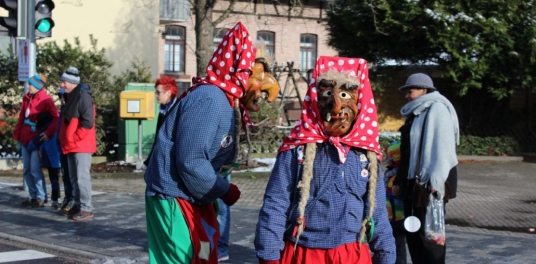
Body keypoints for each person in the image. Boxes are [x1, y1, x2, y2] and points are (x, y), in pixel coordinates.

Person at [143, 22, 280, 264]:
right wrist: (223, 189)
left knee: (204, 255)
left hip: (192, 196)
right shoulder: (211, 99)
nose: (265, 84)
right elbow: (191, 160)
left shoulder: (224, 100)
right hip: (175, 196)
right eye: (255, 74)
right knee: (184, 259)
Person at [255, 56, 395, 264]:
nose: (336, 105)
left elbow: (377, 213)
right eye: (328, 93)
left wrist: (387, 255)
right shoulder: (297, 148)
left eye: (346, 94)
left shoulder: (366, 154)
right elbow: (276, 204)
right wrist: (269, 256)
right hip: (305, 253)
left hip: (353, 254)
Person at [392, 73, 459, 264]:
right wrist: (399, 182)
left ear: (424, 90)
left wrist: (435, 180)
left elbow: (443, 148)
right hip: (413, 183)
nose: (406, 95)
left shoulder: (437, 109)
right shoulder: (416, 111)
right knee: (414, 233)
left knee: (430, 237)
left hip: (430, 183)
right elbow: (408, 152)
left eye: (410, 91)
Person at [12, 74, 59, 208]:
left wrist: (47, 133)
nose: (28, 87)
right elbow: (22, 117)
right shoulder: (27, 98)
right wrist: (17, 133)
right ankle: (32, 195)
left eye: (30, 84)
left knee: (35, 169)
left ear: (38, 86)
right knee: (26, 169)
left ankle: (41, 196)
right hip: (25, 137)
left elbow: (55, 119)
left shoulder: (46, 100)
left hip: (36, 138)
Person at [59, 66, 97, 221]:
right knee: (74, 178)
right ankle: (78, 205)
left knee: (81, 177)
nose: (62, 85)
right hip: (71, 144)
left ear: (73, 82)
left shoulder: (83, 96)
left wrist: (74, 138)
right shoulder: (70, 97)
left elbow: (88, 122)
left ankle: (86, 209)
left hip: (80, 144)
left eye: (64, 82)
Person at [26, 112, 62, 209]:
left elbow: (32, 145)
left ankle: (54, 199)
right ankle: (57, 199)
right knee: (56, 179)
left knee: (53, 178)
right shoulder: (56, 128)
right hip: (59, 157)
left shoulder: (43, 131)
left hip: (49, 158)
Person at [142, 76, 178, 170]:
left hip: (174, 161)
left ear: (168, 93)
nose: (156, 95)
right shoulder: (162, 110)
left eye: (158, 92)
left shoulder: (178, 108)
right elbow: (158, 138)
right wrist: (148, 162)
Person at [383, 141, 406, 264]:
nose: (386, 159)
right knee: (395, 245)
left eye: (388, 155)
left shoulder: (396, 177)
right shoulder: (391, 174)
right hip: (391, 217)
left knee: (398, 246)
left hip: (397, 219)